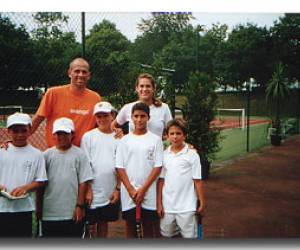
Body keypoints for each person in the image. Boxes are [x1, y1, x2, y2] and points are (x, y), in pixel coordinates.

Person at [36, 117, 93, 238]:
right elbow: (40, 185)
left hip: (71, 212)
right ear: (53, 135)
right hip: (49, 212)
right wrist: (39, 208)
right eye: (58, 133)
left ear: (72, 134)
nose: (61, 137)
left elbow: (83, 182)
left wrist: (79, 206)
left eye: (65, 133)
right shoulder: (46, 155)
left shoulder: (80, 155)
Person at [115, 102, 163, 238]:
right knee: (130, 227)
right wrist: (130, 189)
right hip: (129, 193)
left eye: (142, 116)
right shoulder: (124, 140)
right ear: (131, 118)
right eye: (136, 116)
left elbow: (157, 167)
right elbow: (119, 167)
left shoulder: (155, 140)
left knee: (149, 226)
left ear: (148, 118)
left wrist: (143, 190)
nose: (139, 119)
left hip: (149, 192)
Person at [31, 57, 101, 148]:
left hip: (84, 154)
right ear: (69, 73)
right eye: (77, 71)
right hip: (57, 152)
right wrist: (17, 140)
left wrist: (115, 130)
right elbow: (37, 120)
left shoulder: (95, 98)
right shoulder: (53, 93)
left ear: (89, 75)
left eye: (84, 72)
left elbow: (101, 125)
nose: (80, 75)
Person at [0, 112, 47, 237]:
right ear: (8, 131)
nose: (20, 134)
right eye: (15, 131)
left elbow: (41, 180)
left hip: (24, 208)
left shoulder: (37, 154)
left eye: (24, 130)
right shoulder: (2, 151)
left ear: (30, 130)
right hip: (2, 207)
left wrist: (25, 188)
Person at [157, 118, 205, 238]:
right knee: (167, 236)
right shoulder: (164, 155)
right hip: (167, 206)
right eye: (172, 134)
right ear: (167, 136)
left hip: (187, 206)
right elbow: (161, 181)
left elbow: (197, 181)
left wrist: (202, 202)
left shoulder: (192, 155)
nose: (175, 137)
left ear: (184, 135)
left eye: (178, 133)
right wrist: (159, 203)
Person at [80, 101, 121, 238]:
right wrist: (89, 189)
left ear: (113, 116)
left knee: (104, 222)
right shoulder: (88, 137)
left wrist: (117, 189)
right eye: (99, 116)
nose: (102, 119)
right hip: (93, 189)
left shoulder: (119, 138)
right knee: (91, 225)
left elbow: (121, 166)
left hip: (110, 188)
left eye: (105, 115)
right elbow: (85, 164)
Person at [111, 73, 172, 139]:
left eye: (148, 86)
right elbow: (113, 126)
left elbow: (172, 131)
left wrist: (164, 141)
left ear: (154, 88)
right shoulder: (128, 108)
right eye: (142, 86)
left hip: (155, 148)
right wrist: (122, 137)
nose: (145, 89)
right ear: (137, 88)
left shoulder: (164, 108)